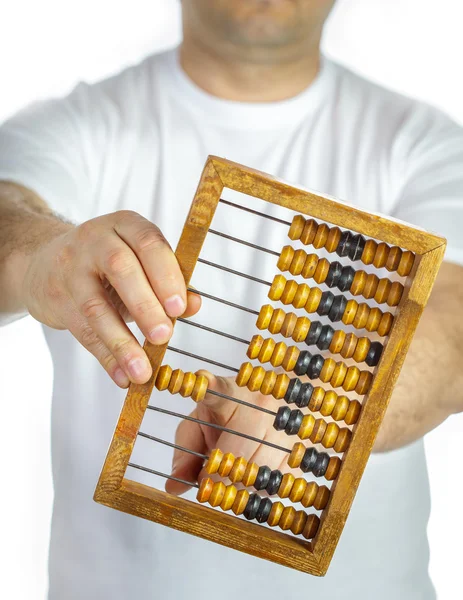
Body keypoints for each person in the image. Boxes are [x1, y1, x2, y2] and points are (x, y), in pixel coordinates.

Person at [0, 1, 462, 598]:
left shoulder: (428, 146)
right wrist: (39, 255)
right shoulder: (73, 127)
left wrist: (308, 414)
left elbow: (454, 326)